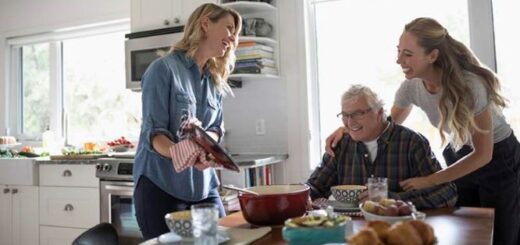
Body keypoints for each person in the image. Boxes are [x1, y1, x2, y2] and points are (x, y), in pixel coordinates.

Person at [325, 17, 520, 245]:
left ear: (433, 56)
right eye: (398, 52)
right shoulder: (410, 88)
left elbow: (483, 154)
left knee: (501, 237)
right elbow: (383, 126)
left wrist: (430, 180)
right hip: (459, 154)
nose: (398, 60)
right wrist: (348, 128)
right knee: (470, 235)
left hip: (498, 158)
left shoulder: (472, 86)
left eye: (407, 54)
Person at [132, 3, 242, 240]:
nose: (233, 38)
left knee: (216, 242)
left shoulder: (214, 81)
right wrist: (182, 151)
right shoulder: (162, 69)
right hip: (159, 187)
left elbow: (215, 129)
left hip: (203, 189)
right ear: (205, 24)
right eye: (229, 28)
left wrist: (205, 148)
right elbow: (154, 134)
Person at [307, 85, 457, 210]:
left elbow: (447, 192)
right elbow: (315, 186)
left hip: (398, 231)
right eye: (345, 115)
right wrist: (301, 195)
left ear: (379, 113)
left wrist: (393, 200)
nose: (349, 122)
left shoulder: (411, 143)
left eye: (358, 113)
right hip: (348, 233)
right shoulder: (340, 144)